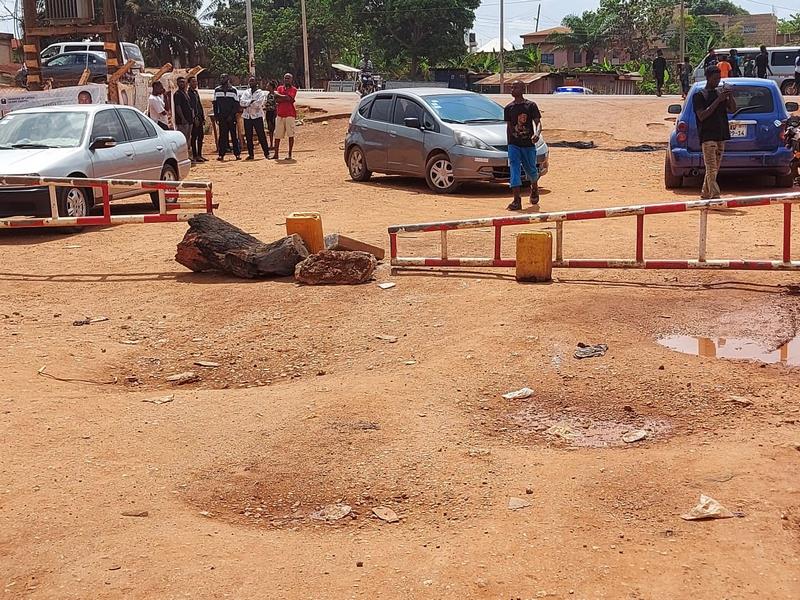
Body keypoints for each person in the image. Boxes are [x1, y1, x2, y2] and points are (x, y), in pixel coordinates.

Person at [693, 66, 736, 200]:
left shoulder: (719, 94)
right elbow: (702, 116)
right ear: (708, 78)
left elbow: (733, 109)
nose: (717, 81)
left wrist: (729, 95)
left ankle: (705, 193)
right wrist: (718, 100)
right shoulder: (699, 95)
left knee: (714, 169)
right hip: (708, 137)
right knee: (711, 168)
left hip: (721, 135)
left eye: (719, 79)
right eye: (715, 79)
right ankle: (715, 196)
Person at [504, 80, 542, 211]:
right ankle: (516, 200)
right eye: (511, 87)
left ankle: (535, 188)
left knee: (531, 169)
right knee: (514, 168)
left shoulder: (531, 106)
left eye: (515, 87)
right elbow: (509, 126)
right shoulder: (508, 108)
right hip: (514, 145)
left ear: (522, 89)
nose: (512, 90)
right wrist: (509, 141)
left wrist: (536, 134)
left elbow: (538, 123)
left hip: (528, 144)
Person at [239, 76, 270, 160]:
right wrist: (250, 102)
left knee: (261, 135)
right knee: (248, 136)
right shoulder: (246, 92)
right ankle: (251, 154)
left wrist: (247, 104)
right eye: (250, 81)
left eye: (253, 81)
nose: (251, 82)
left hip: (257, 116)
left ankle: (266, 153)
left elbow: (259, 104)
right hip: (247, 117)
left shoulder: (261, 93)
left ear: (256, 82)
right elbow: (241, 102)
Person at [213, 73, 241, 161]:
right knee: (222, 136)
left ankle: (237, 154)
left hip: (231, 117)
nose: (222, 79)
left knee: (234, 136)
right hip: (222, 117)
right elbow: (215, 104)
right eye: (221, 77)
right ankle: (221, 154)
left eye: (224, 77)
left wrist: (231, 115)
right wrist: (216, 116)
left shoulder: (233, 90)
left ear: (228, 79)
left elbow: (236, 105)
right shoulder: (217, 90)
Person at [274, 72, 297, 160]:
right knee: (277, 135)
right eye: (285, 78)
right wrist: (285, 97)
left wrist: (280, 96)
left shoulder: (294, 89)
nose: (286, 80)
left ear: (291, 80)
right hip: (280, 114)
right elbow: (277, 99)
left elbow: (289, 98)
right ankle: (276, 154)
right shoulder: (280, 88)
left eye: (288, 78)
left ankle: (290, 154)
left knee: (290, 134)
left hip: (290, 114)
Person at [173, 76, 194, 151]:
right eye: (180, 82)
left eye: (183, 82)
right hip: (183, 121)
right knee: (183, 139)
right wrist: (182, 118)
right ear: (177, 83)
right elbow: (178, 107)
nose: (182, 83)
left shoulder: (185, 93)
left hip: (189, 119)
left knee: (188, 138)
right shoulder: (177, 94)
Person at [188, 76, 206, 162]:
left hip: (199, 117)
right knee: (194, 137)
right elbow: (191, 107)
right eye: (193, 82)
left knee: (201, 137)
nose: (195, 84)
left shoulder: (195, 92)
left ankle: (200, 154)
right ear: (189, 83)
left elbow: (199, 105)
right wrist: (194, 118)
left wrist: (202, 117)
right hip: (194, 118)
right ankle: (194, 155)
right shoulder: (188, 93)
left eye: (196, 82)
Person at [265, 80, 278, 152]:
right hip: (268, 112)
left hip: (273, 112)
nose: (267, 87)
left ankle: (274, 144)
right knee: (270, 129)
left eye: (268, 86)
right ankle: (271, 144)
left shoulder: (275, 95)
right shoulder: (268, 95)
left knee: (274, 128)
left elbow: (276, 105)